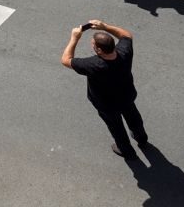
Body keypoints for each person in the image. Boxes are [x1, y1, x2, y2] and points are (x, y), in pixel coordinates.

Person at [61, 20, 146, 159]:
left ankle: (126, 149)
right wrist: (105, 27)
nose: (92, 44)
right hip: (127, 96)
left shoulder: (92, 64)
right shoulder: (124, 52)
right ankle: (141, 137)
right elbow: (126, 35)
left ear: (99, 50)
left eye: (93, 44)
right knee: (133, 116)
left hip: (107, 105)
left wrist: (74, 38)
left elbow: (66, 59)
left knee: (116, 127)